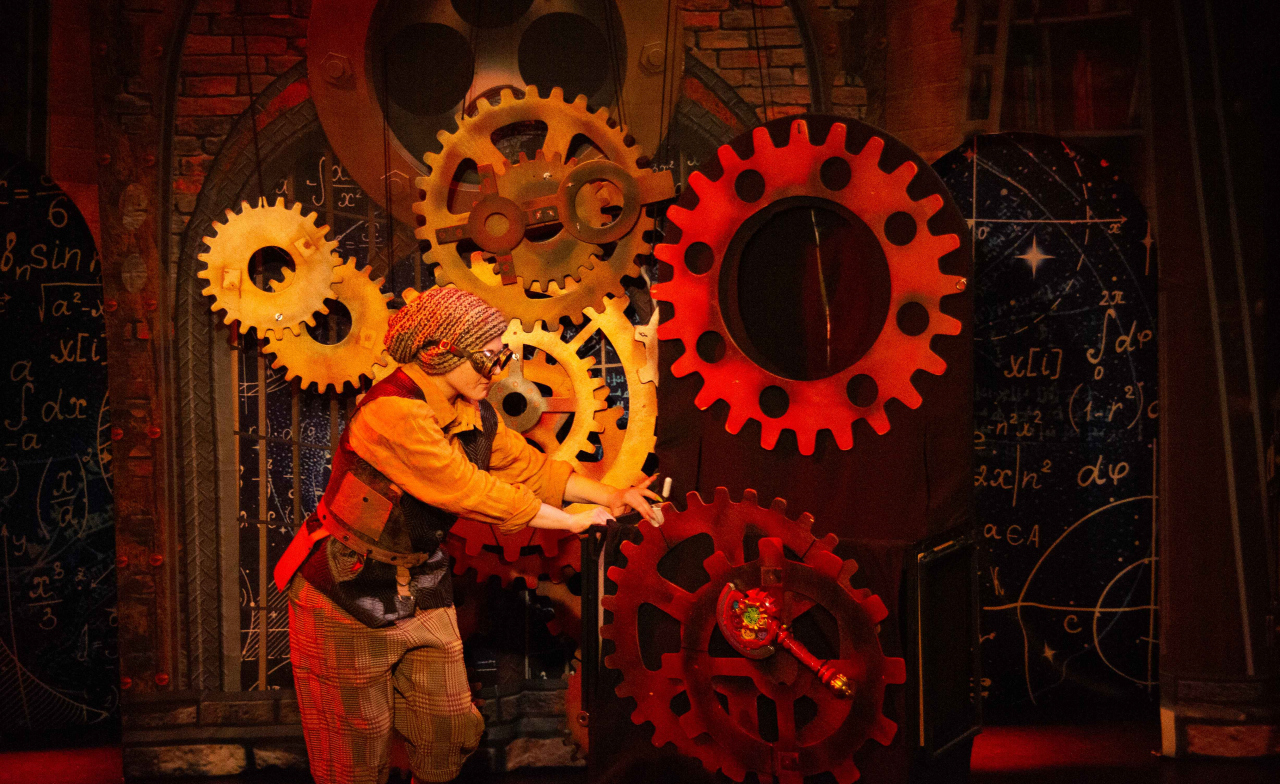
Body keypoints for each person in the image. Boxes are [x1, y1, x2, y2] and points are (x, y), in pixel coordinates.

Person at [273, 287, 664, 784]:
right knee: (356, 752)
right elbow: (466, 490)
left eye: (500, 357)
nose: (495, 371)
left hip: (420, 582)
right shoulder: (391, 413)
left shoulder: (474, 413)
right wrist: (569, 521)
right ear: (439, 352)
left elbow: (530, 469)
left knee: (451, 728)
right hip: (345, 590)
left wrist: (611, 495)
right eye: (486, 358)